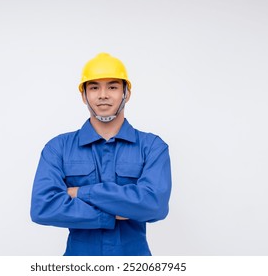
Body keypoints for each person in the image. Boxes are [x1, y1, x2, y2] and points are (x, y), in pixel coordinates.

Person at [30, 53, 172, 256]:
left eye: (112, 87)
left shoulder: (152, 147)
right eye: (94, 87)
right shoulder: (58, 148)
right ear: (83, 95)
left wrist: (79, 192)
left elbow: (155, 206)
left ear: (127, 93)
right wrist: (115, 213)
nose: (103, 94)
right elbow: (43, 207)